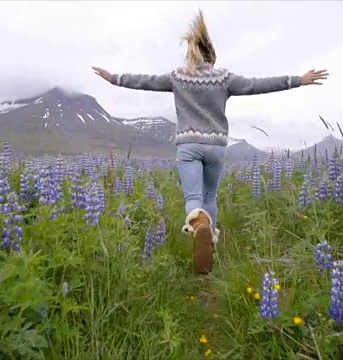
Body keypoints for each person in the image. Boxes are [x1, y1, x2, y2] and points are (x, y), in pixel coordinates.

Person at [92, 10, 329, 275]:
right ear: (212, 56)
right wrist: (298, 80)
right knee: (209, 196)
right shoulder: (224, 78)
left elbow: (144, 81)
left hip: (188, 146)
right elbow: (257, 85)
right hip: (216, 147)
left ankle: (199, 225)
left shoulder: (178, 77)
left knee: (193, 197)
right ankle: (210, 245)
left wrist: (114, 78)